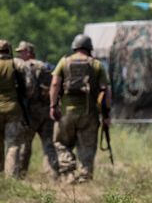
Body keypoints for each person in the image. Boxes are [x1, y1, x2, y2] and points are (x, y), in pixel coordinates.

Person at [50, 34, 110, 182]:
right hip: (89, 114)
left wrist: (52, 106)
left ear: (74, 47)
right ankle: (84, 177)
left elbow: (55, 84)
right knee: (87, 146)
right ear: (90, 48)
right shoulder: (97, 65)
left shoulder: (64, 62)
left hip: (66, 113)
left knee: (62, 143)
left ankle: (68, 174)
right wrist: (106, 114)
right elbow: (106, 91)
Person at [15, 41, 60, 177]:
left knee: (25, 143)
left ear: (28, 52)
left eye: (22, 52)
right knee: (48, 143)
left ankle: (21, 174)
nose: (20, 55)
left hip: (31, 112)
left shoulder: (24, 67)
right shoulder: (46, 66)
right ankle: (53, 174)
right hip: (47, 111)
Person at [0, 39, 31, 178]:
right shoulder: (17, 63)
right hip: (13, 109)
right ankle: (11, 177)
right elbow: (29, 86)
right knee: (12, 144)